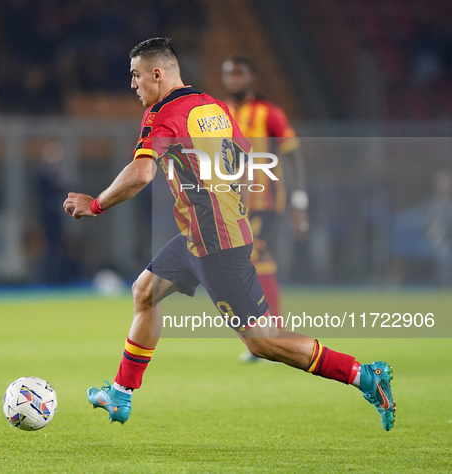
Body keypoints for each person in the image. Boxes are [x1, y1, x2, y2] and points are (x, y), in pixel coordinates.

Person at [63, 37, 396, 431]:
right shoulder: (212, 106)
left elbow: (141, 173)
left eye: (136, 76)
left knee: (263, 342)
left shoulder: (161, 114)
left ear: (157, 73)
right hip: (201, 235)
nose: (132, 85)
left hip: (214, 244)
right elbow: (241, 158)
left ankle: (362, 374)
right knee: (144, 292)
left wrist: (96, 203)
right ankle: (120, 393)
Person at [221, 56, 308, 326]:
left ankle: (272, 330)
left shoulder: (268, 113)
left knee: (256, 254)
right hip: (230, 201)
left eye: (240, 74)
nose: (234, 79)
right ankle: (267, 330)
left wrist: (299, 201)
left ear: (251, 77)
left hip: (264, 200)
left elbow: (293, 156)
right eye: (229, 74)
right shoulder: (219, 112)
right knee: (242, 262)